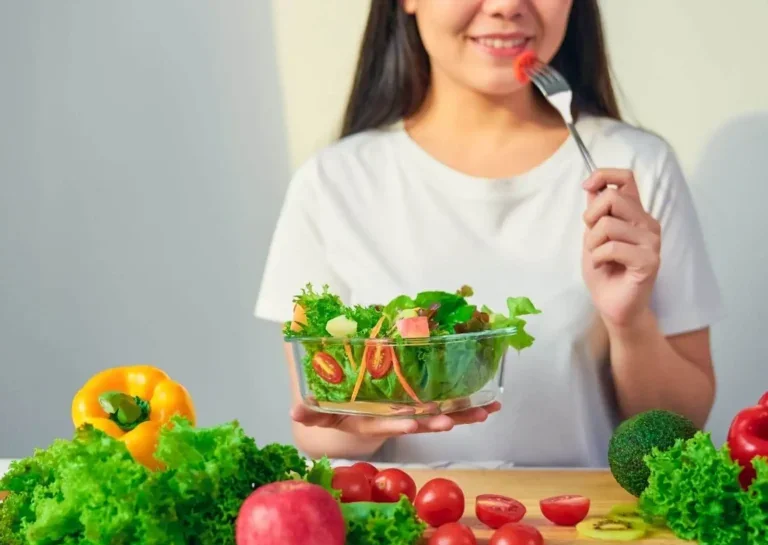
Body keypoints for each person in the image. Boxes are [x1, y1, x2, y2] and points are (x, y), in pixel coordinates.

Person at [254, 0, 723, 468]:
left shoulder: (633, 168)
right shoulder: (334, 181)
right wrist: (356, 423)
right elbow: (316, 430)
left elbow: (682, 423)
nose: (507, 6)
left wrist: (630, 322)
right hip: (410, 525)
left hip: (577, 528)